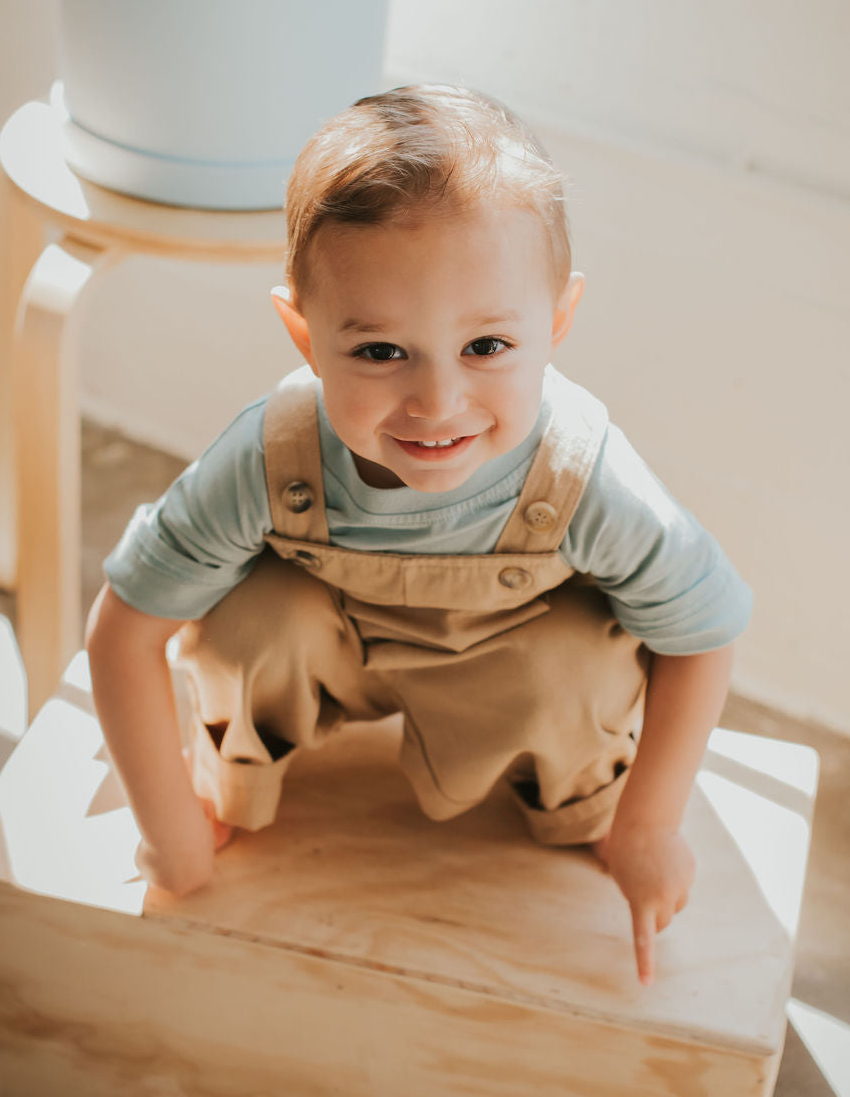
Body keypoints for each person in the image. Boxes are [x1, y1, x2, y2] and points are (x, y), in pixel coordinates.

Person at [85, 85, 752, 986]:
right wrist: (167, 837)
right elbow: (126, 628)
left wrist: (650, 824)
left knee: (579, 668)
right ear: (303, 334)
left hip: (507, 672)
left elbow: (704, 635)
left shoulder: (584, 475)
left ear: (556, 322)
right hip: (333, 647)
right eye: (379, 352)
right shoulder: (268, 454)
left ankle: (574, 809)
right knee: (250, 619)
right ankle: (234, 783)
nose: (438, 405)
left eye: (486, 347)